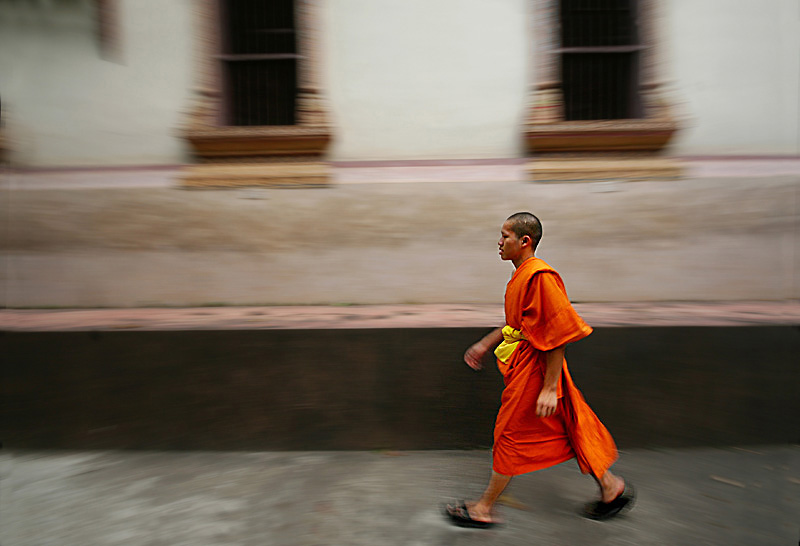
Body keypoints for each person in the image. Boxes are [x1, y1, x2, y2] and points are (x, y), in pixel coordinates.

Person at [445, 212, 634, 528]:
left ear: (524, 241)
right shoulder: (523, 275)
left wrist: (548, 387)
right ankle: (610, 487)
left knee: (508, 435)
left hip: (537, 369)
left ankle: (483, 508)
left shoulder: (540, 277)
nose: (499, 242)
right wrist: (486, 343)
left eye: (505, 236)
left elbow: (556, 333)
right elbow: (518, 324)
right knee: (572, 425)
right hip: (531, 363)